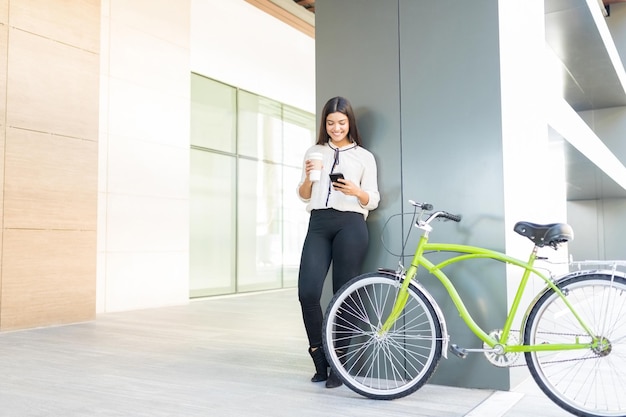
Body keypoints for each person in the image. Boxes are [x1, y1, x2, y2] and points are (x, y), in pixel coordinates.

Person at [296, 96, 380, 388]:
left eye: (341, 122)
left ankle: (339, 362)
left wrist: (356, 190)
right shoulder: (314, 151)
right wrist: (308, 177)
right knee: (308, 292)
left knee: (344, 294)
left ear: (349, 123)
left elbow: (374, 198)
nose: (336, 128)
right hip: (318, 224)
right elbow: (305, 194)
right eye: (330, 123)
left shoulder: (364, 157)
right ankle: (319, 355)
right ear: (324, 124)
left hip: (351, 223)